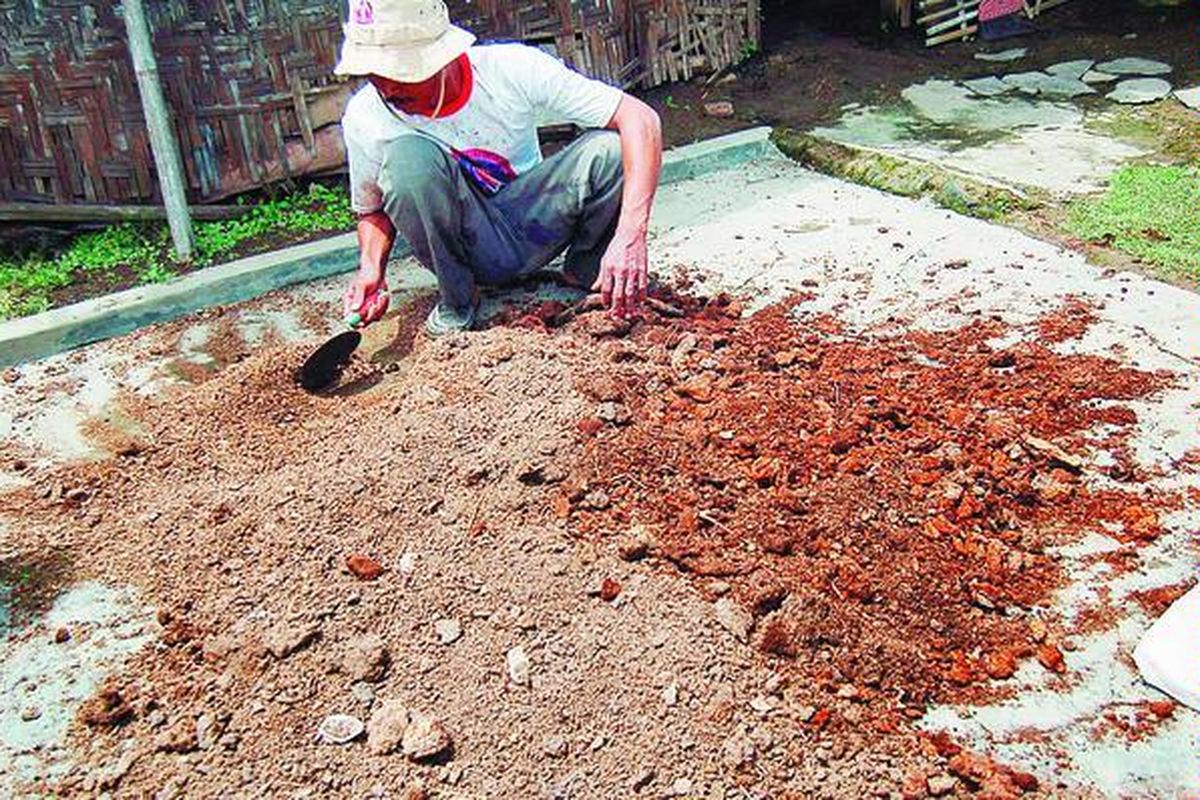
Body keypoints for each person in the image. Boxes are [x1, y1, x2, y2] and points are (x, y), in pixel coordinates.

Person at [333, 0, 663, 335]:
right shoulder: (366, 116)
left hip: (537, 223)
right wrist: (371, 268)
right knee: (408, 160)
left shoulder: (509, 68)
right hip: (471, 246)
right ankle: (458, 300)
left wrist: (630, 236)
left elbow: (640, 118)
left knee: (611, 150)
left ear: (442, 56)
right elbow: (372, 211)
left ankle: (591, 271)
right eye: (373, 74)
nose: (387, 87)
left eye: (397, 72)